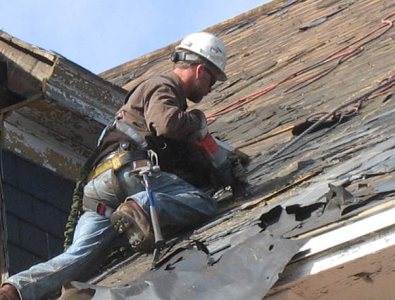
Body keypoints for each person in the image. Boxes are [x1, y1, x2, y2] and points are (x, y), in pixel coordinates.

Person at [0, 31, 247, 300]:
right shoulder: (164, 85)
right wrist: (198, 122)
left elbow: (173, 148)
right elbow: (165, 123)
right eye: (212, 79)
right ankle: (140, 206)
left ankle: (15, 289)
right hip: (132, 174)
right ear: (201, 70)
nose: (211, 88)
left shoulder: (147, 101)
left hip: (100, 191)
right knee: (203, 202)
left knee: (79, 261)